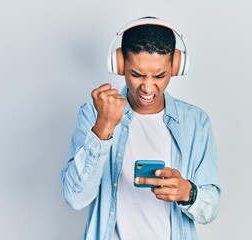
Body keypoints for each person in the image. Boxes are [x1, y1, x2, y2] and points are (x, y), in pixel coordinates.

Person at [61, 16, 220, 240]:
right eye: (136, 74)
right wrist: (104, 126)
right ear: (119, 64)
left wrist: (188, 193)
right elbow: (75, 197)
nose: (147, 87)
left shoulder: (196, 123)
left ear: (175, 66)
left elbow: (210, 208)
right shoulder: (94, 112)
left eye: (159, 75)